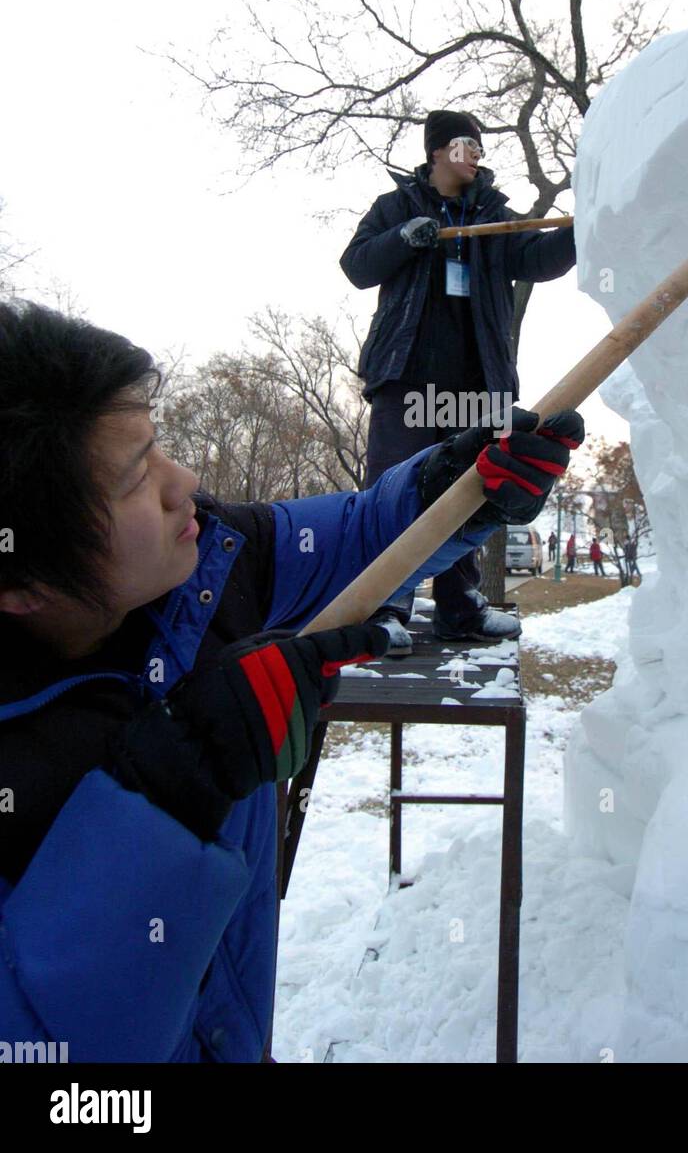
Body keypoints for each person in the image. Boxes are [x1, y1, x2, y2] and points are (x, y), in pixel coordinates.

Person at [0, 301, 584, 1062]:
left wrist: (456, 488)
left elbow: (357, 534)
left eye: (159, 448)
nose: (185, 482)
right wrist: (168, 798)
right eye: (135, 478)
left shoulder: (203, 571)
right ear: (22, 583)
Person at [340, 109, 576, 653]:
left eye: (479, 147)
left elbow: (537, 258)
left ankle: (458, 606)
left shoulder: (494, 214)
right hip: (406, 381)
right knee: (394, 491)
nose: (477, 155)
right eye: (467, 145)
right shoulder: (394, 207)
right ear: (438, 151)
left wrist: (583, 226)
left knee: (471, 490)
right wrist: (403, 237)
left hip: (478, 386)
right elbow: (356, 267)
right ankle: (384, 605)